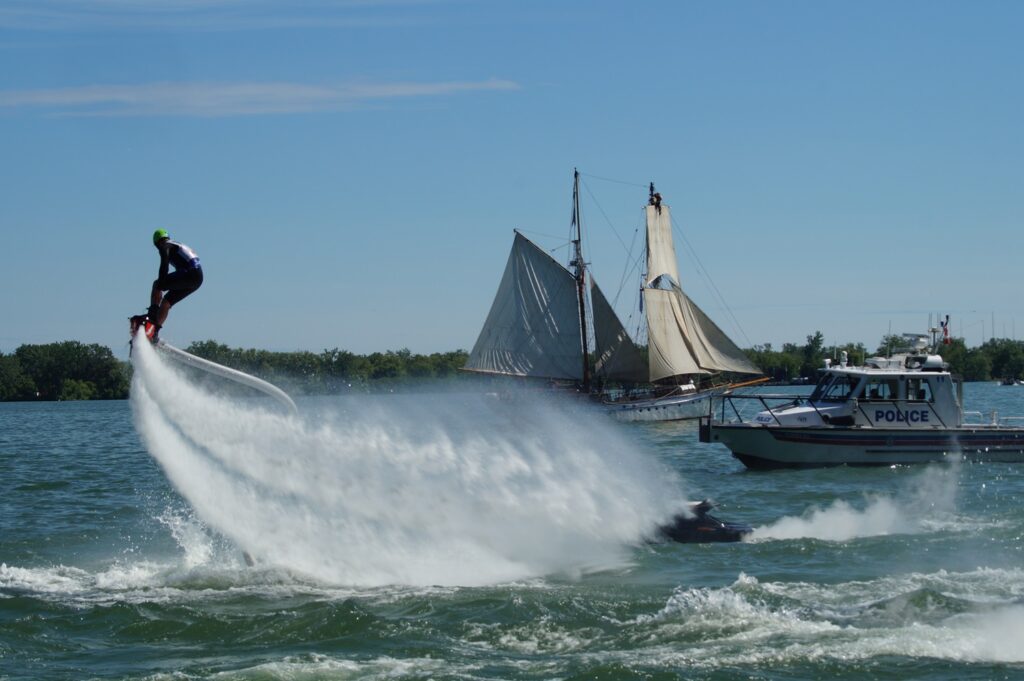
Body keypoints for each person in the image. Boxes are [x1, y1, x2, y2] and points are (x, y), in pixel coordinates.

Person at [145, 229, 203, 342]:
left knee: (157, 284)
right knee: (166, 302)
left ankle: (152, 317)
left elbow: (164, 265)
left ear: (157, 243)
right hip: (198, 279)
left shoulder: (165, 246)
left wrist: (161, 283)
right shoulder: (176, 245)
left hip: (189, 274)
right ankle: (154, 331)